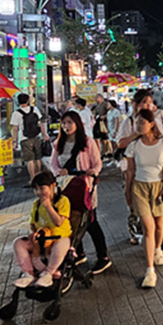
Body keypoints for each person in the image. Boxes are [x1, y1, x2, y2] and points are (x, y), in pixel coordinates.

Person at [51, 111, 111, 274]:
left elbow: (97, 162)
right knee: (71, 221)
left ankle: (103, 256)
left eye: (70, 122)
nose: (66, 126)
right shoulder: (59, 143)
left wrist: (93, 171)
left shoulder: (87, 142)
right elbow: (53, 164)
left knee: (90, 221)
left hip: (85, 187)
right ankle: (79, 252)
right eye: (64, 123)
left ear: (77, 123)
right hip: (66, 188)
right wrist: (58, 172)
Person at [124, 109, 163, 288]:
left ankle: (157, 249)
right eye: (137, 123)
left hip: (159, 186)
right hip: (139, 187)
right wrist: (128, 190)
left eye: (142, 122)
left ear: (152, 124)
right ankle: (149, 271)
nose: (138, 126)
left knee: (159, 224)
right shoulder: (134, 145)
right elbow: (130, 170)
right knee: (148, 227)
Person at [115, 89, 163, 246]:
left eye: (150, 103)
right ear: (135, 105)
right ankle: (135, 232)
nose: (148, 106)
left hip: (156, 170)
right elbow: (120, 143)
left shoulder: (155, 119)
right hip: (132, 168)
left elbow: (161, 140)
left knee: (161, 204)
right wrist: (138, 132)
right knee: (134, 203)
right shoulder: (129, 122)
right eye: (144, 103)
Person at [12, 171, 72, 288]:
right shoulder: (36, 204)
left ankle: (48, 272)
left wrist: (48, 206)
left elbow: (58, 222)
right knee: (18, 243)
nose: (39, 192)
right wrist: (33, 234)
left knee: (63, 244)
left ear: (53, 186)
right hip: (41, 242)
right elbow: (33, 224)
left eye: (42, 188)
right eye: (36, 189)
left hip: (57, 239)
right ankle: (28, 273)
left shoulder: (62, 201)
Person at [10, 93, 47, 182]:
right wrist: (44, 134)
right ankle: (39, 176)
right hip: (37, 136)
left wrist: (15, 141)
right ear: (28, 101)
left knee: (30, 160)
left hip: (24, 138)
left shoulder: (16, 113)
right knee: (38, 158)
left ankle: (33, 178)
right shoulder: (34, 109)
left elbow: (15, 129)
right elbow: (40, 123)